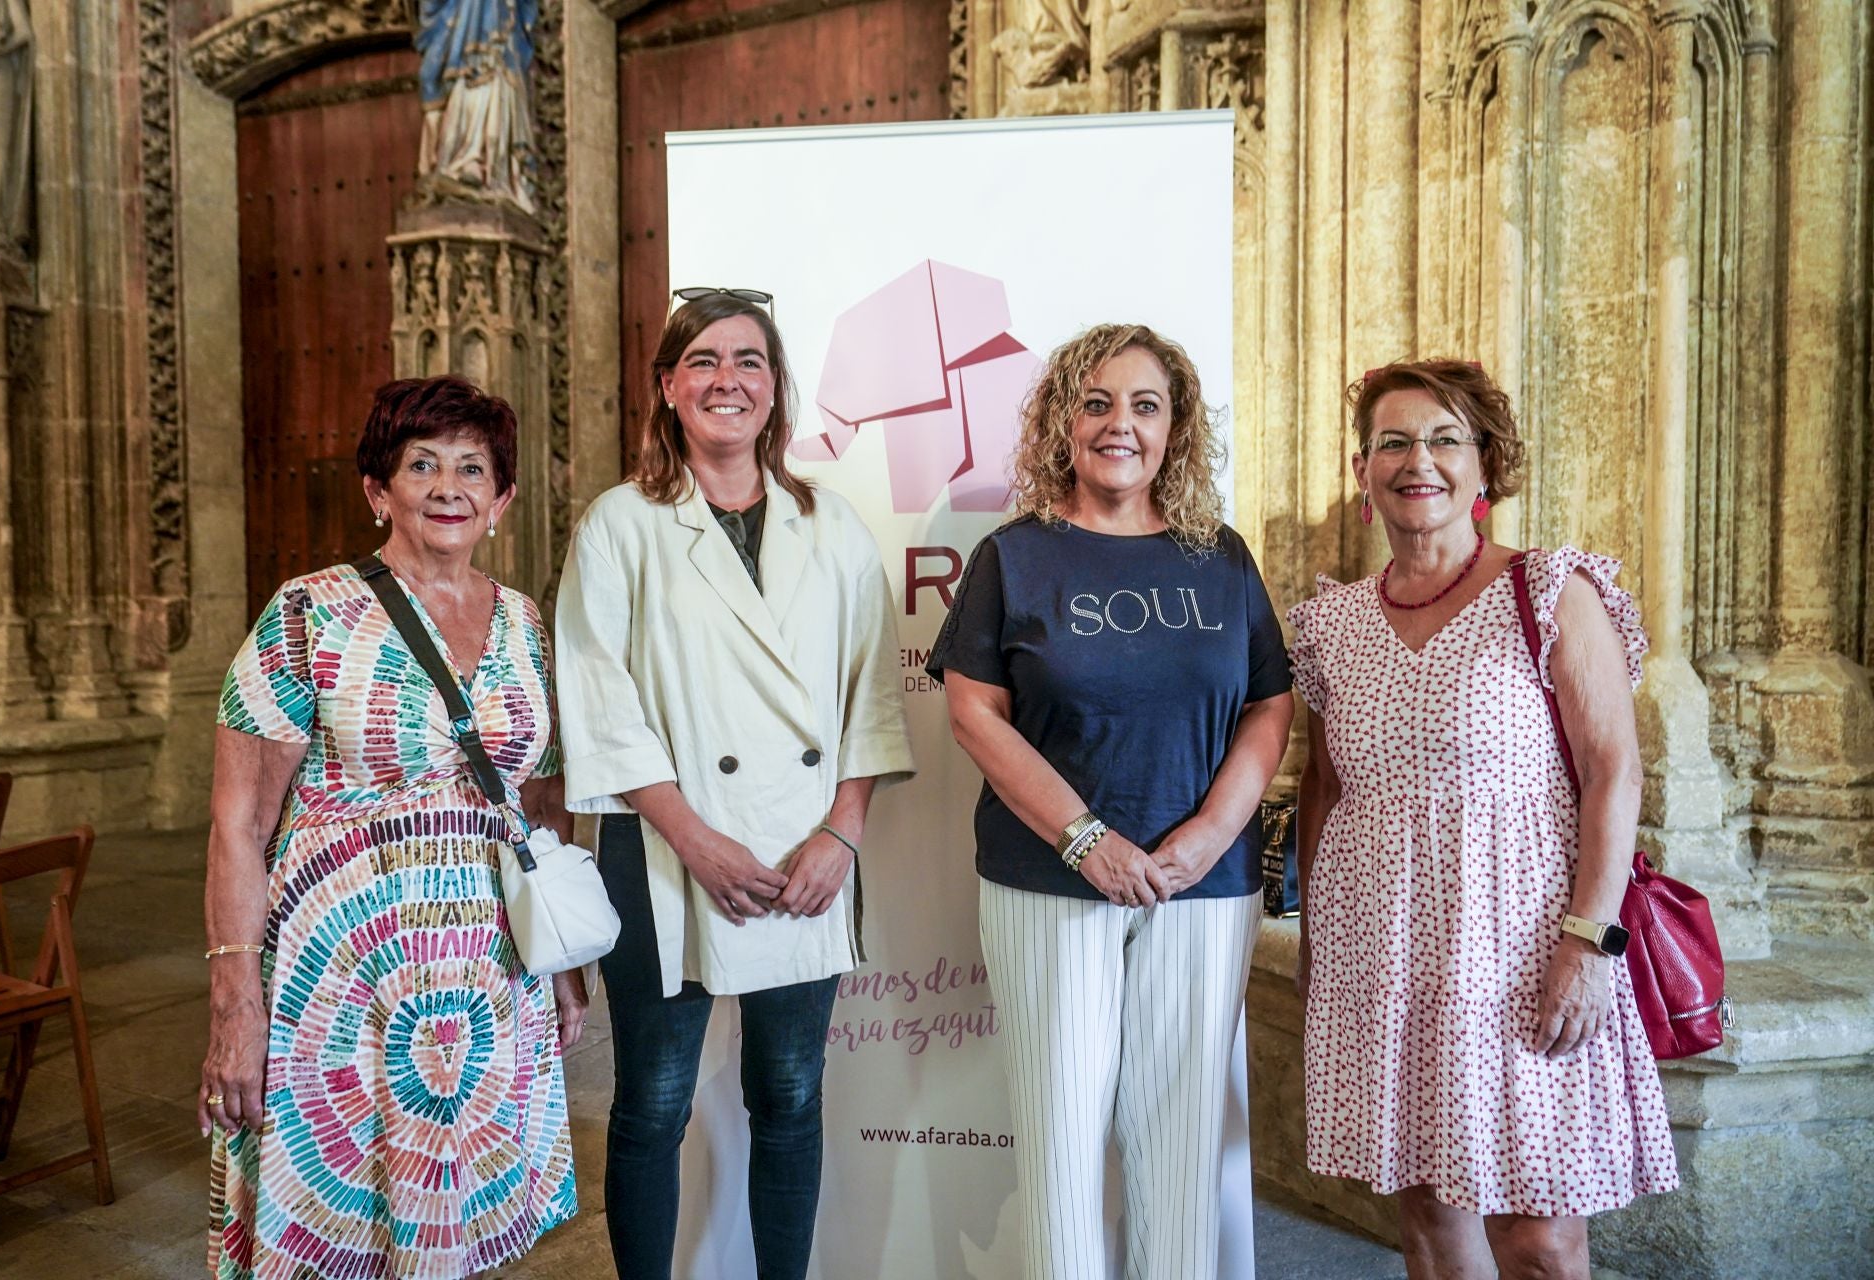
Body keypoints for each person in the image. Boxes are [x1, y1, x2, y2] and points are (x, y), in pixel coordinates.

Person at [1288, 359, 1680, 1278]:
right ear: (1362, 472)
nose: (1416, 460)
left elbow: (1614, 772)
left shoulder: (1547, 591)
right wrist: (1317, 935)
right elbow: (1323, 784)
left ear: (1483, 464)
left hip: (1526, 949)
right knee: (1427, 1217)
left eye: (1443, 439)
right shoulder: (1332, 625)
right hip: (1380, 950)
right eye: (1393, 441)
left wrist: (1589, 942)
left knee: (1540, 1237)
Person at [554, 289, 914, 1280]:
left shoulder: (829, 525)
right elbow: (601, 702)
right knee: (653, 1100)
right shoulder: (620, 524)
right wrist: (698, 842)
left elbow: (870, 699)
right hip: (663, 852)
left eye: (749, 360)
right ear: (670, 387)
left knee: (792, 1093)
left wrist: (840, 836)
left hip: (804, 852)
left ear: (774, 389)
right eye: (704, 360)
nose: (728, 379)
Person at [926, 322, 1294, 1280]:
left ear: (1176, 429)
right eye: (1096, 403)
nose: (1119, 425)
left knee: (1180, 1156)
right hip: (1045, 882)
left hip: (1202, 892)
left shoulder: (1221, 559)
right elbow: (975, 714)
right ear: (1063, 422)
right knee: (1060, 1150)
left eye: (1144, 405)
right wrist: (1085, 839)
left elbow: (1268, 704)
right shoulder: (1016, 557)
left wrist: (1211, 837)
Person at [199, 376, 583, 1280]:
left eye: (472, 467)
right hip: (340, 979)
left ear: (503, 499)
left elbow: (541, 801)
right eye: (422, 465)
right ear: (379, 491)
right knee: (343, 1229)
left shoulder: (527, 623)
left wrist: (565, 963)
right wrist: (235, 1001)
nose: (449, 486)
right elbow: (239, 819)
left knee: (459, 1226)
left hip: (491, 974)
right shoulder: (309, 613)